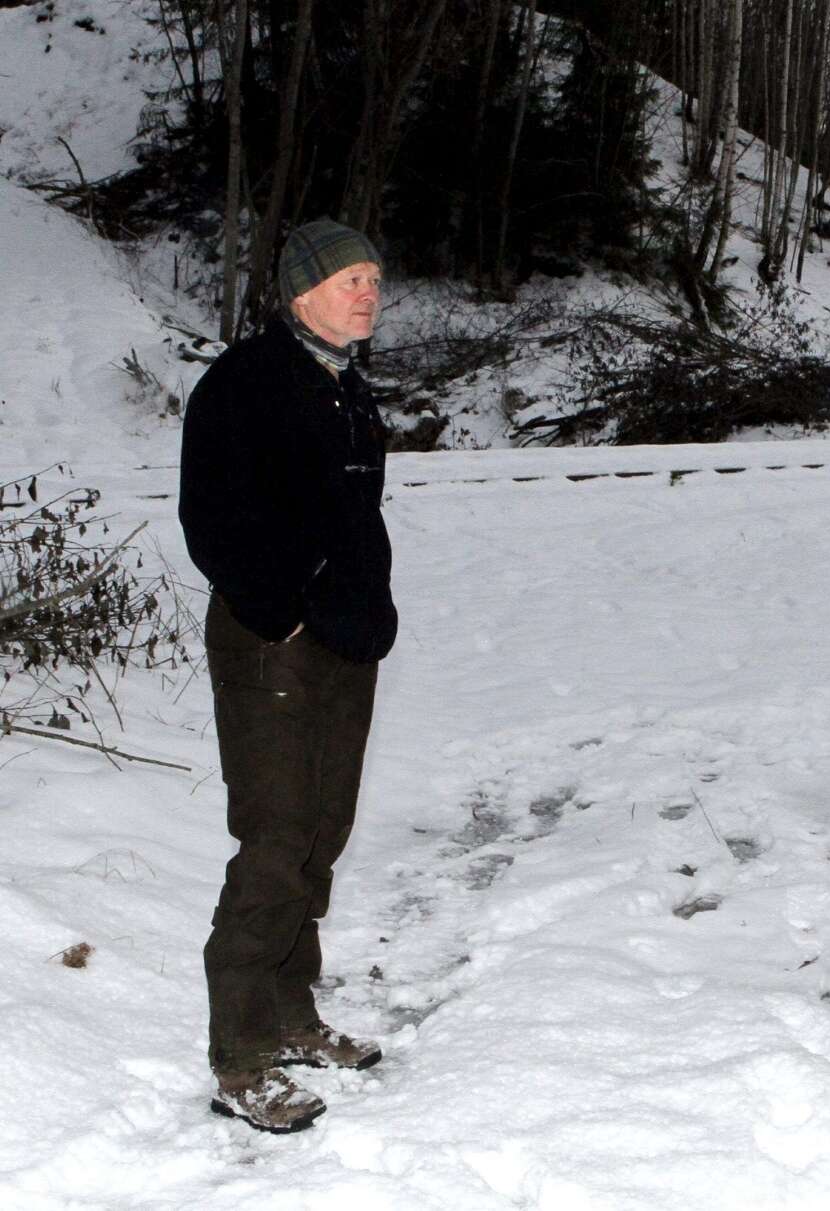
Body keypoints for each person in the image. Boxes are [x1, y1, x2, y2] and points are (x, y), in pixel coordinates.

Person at [179, 219, 398, 1134]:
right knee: (274, 840)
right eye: (350, 279)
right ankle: (242, 1056)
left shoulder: (343, 385)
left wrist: (365, 608)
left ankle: (291, 1012)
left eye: (374, 278)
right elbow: (212, 520)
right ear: (302, 292)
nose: (369, 292)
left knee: (319, 835)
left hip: (343, 642)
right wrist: (286, 609)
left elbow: (350, 518)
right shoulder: (246, 383)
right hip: (272, 643)